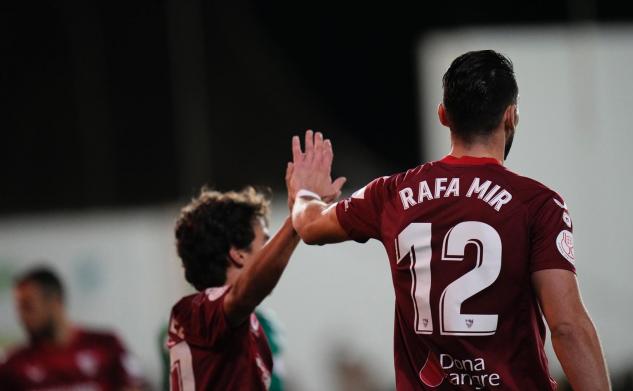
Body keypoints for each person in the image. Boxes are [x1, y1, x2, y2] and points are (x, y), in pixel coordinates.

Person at [287, 50, 610, 390]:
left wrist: (305, 193)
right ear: (511, 116)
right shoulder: (538, 204)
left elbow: (309, 226)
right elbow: (568, 328)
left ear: (443, 115)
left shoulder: (391, 193)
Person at [168, 179, 343, 389]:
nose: (271, 250)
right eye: (265, 241)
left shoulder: (242, 323)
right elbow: (242, 295)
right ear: (239, 255)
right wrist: (297, 222)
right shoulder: (195, 313)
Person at [0, 266, 145, 390]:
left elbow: (134, 386)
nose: (22, 317)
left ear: (54, 302)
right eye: (19, 309)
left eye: (28, 307)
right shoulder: (14, 365)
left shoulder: (106, 345)